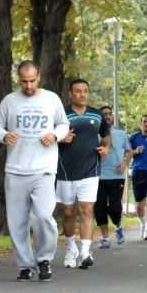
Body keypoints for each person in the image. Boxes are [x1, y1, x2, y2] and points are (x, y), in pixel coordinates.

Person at [0, 61, 69, 281]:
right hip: (16, 169)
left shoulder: (51, 99)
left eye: (32, 81)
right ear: (19, 79)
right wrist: (4, 136)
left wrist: (54, 135)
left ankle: (44, 259)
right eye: (24, 81)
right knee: (17, 222)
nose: (28, 86)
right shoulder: (9, 101)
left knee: (44, 216)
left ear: (39, 77)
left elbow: (63, 125)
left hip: (43, 169)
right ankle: (25, 265)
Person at [56, 79, 110, 269]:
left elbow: (106, 136)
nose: (82, 95)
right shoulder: (61, 113)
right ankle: (71, 248)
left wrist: (106, 148)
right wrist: (60, 139)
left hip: (90, 168)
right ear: (70, 94)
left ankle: (86, 251)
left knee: (87, 210)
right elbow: (50, 136)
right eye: (78, 91)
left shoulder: (97, 115)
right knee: (68, 212)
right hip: (65, 169)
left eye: (85, 91)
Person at [95, 106, 133, 247]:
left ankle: (118, 227)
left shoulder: (121, 133)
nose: (108, 116)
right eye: (104, 114)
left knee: (115, 208)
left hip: (117, 176)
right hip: (98, 176)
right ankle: (105, 238)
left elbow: (129, 151)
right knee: (99, 209)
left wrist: (124, 164)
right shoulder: (95, 134)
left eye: (110, 114)